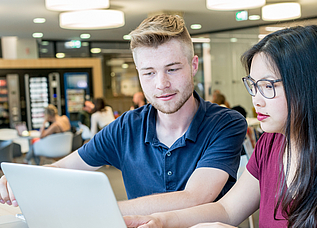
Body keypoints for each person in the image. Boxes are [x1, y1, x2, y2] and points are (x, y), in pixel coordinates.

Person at [123, 25, 317, 228]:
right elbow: (227, 210)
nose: (256, 99)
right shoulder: (272, 142)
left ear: (308, 85)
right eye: (253, 85)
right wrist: (159, 220)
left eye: (269, 86)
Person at [0, 14, 246, 215]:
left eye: (172, 69)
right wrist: (21, 180)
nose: (161, 84)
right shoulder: (127, 126)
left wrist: (105, 211)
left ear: (193, 66)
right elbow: (65, 167)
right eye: (148, 73)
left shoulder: (225, 123)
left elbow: (195, 198)